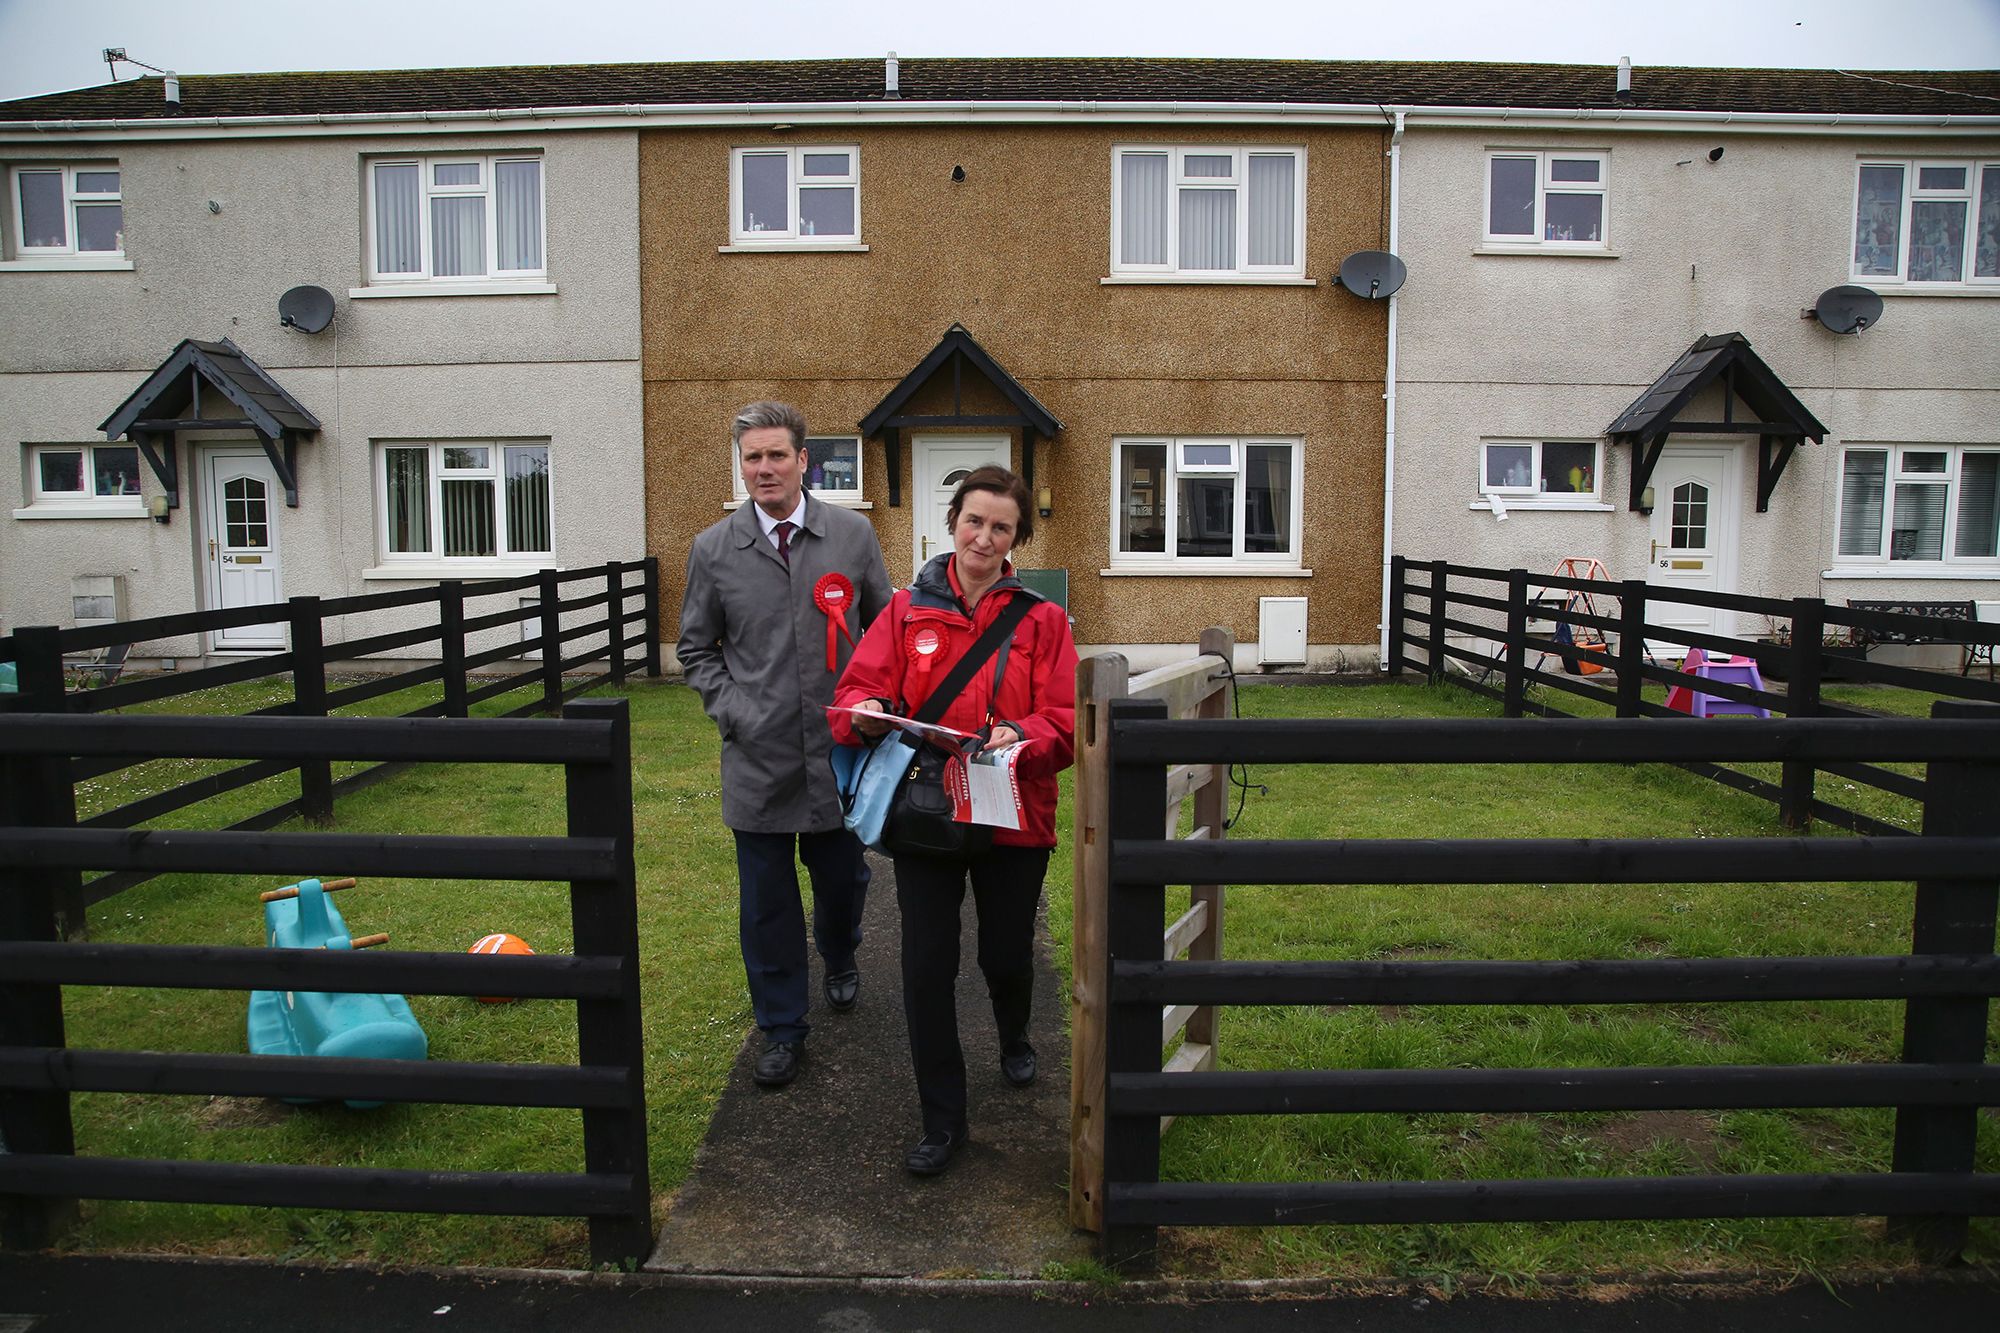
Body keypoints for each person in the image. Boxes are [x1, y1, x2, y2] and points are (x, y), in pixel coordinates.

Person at [831, 465, 1077, 1175]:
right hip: (926, 814)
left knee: (1004, 954)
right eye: (975, 520)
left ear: (1016, 540)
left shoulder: (1043, 621)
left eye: (1001, 526)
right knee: (925, 969)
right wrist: (869, 711)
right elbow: (856, 691)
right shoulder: (906, 610)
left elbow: (1063, 720)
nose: (984, 535)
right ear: (954, 522)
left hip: (1013, 817)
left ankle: (1014, 1031)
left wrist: (1022, 734)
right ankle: (944, 1120)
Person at [679, 401, 891, 1089]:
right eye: (752, 457)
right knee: (767, 904)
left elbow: (886, 631)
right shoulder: (714, 550)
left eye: (777, 455)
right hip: (758, 762)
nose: (764, 468)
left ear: (804, 460)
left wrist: (875, 704)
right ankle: (781, 1028)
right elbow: (695, 649)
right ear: (740, 465)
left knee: (843, 883)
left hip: (840, 758)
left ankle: (841, 950)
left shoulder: (852, 537)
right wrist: (736, 711)